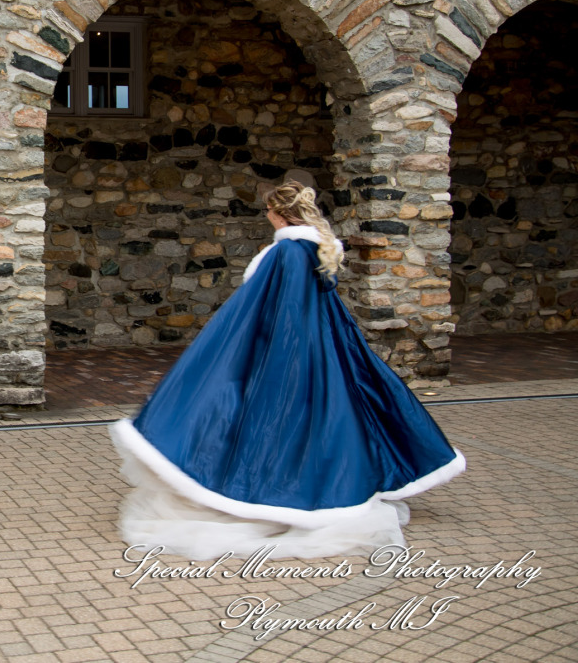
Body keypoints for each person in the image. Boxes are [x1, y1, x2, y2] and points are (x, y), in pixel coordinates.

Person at [110, 182, 465, 560]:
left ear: (279, 213)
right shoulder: (315, 248)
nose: (266, 216)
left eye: (268, 210)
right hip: (327, 347)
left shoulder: (287, 253)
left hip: (290, 353)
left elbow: (274, 311)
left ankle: (287, 493)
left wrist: (247, 354)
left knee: (276, 421)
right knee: (342, 413)